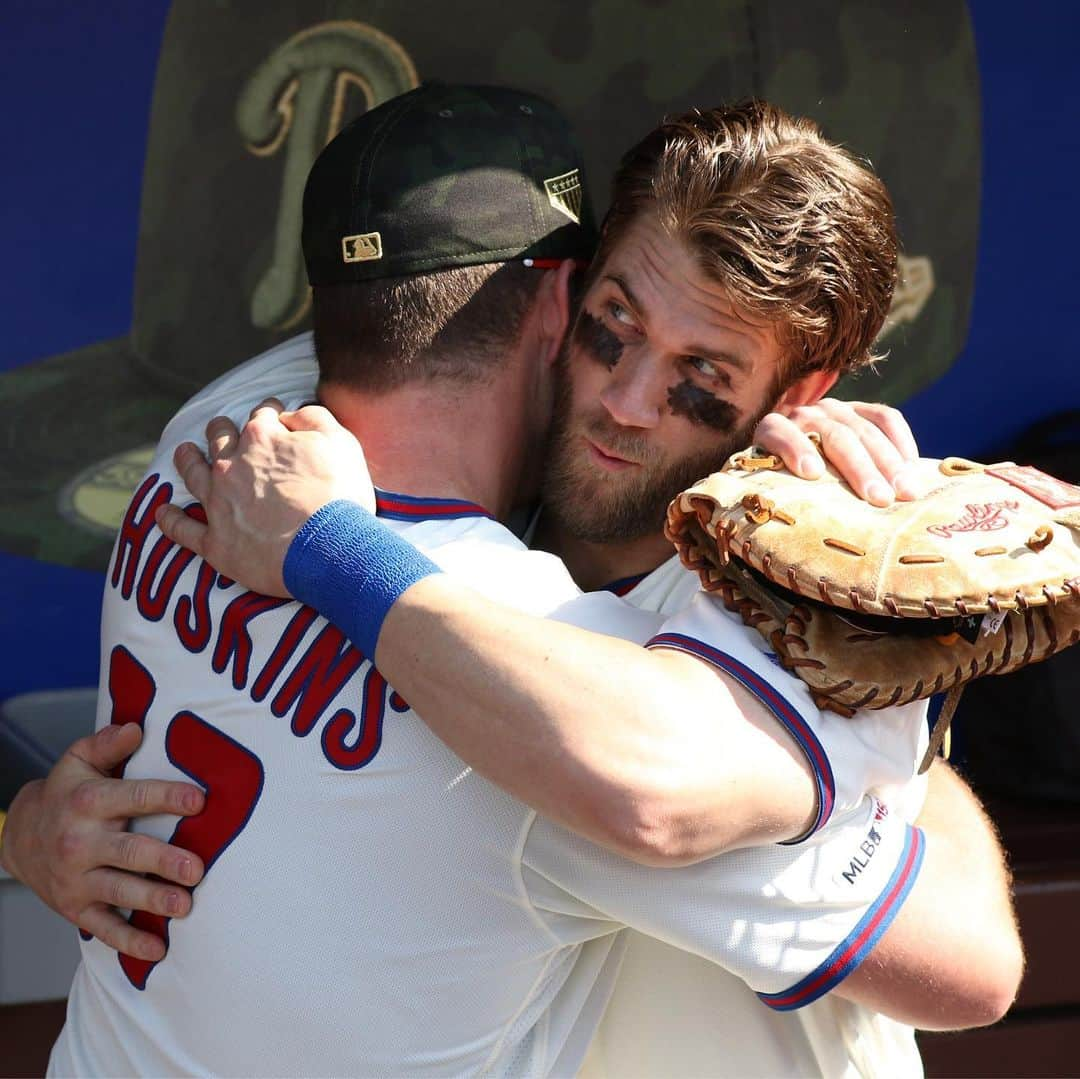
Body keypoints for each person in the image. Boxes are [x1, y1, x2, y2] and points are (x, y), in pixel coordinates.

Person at [0, 88, 1019, 1076]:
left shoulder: (230, 440)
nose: (626, 400)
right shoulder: (269, 475)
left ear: (797, 396)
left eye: (699, 380)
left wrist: (878, 688)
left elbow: (973, 962)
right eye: (612, 323)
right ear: (563, 289)